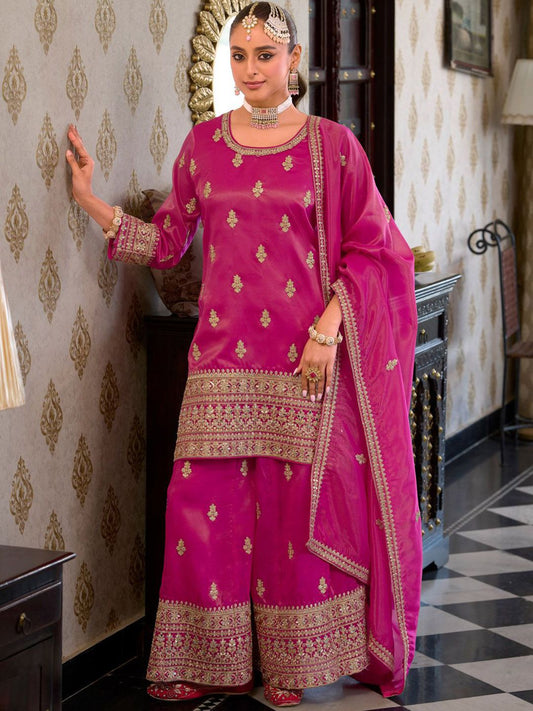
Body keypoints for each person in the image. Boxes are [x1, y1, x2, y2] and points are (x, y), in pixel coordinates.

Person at [66, 2, 422, 706]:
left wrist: (327, 331)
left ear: (294, 60)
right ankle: (203, 659)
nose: (251, 69)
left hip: (301, 362)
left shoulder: (333, 147)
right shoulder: (202, 145)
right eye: (239, 55)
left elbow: (373, 249)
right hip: (220, 362)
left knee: (292, 517)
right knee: (203, 509)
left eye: (265, 54)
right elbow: (168, 242)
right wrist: (91, 202)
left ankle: (288, 664)